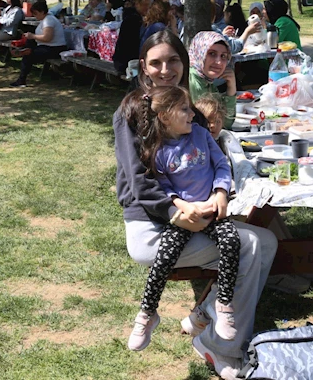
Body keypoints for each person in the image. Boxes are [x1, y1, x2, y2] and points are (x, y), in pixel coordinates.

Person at [114, 30, 277, 380]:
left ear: (185, 63)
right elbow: (139, 179)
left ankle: (208, 313)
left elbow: (214, 160)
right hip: (152, 224)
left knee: (267, 241)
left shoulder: (191, 113)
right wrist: (175, 212)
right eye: (156, 62)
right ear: (143, 66)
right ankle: (222, 349)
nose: (165, 69)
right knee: (251, 245)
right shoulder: (131, 111)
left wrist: (220, 194)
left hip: (199, 215)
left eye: (173, 60)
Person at [127, 86, 240, 351]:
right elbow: (163, 185)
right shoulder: (157, 149)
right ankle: (147, 313)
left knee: (232, 242)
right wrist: (181, 207)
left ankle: (223, 304)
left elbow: (221, 164)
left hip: (212, 209)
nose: (193, 114)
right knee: (163, 258)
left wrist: (221, 192)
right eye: (185, 109)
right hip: (185, 215)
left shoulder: (201, 134)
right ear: (165, 117)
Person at [10, 0, 66, 87]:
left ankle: (22, 80)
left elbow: (47, 38)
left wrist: (33, 36)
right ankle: (25, 49)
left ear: (42, 12)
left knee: (28, 55)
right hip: (47, 46)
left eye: (36, 14)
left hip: (55, 48)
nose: (35, 16)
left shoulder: (49, 20)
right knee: (29, 42)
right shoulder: (45, 19)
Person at [189, 31, 237, 130]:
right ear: (199, 53)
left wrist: (231, 86)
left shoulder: (208, 83)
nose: (219, 62)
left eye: (223, 56)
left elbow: (225, 123)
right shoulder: (190, 82)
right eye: (212, 54)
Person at [113, 0, 150, 74]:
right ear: (137, 4)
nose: (147, 8)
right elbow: (134, 44)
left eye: (148, 5)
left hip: (123, 60)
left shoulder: (135, 17)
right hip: (126, 62)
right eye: (145, 5)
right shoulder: (132, 19)